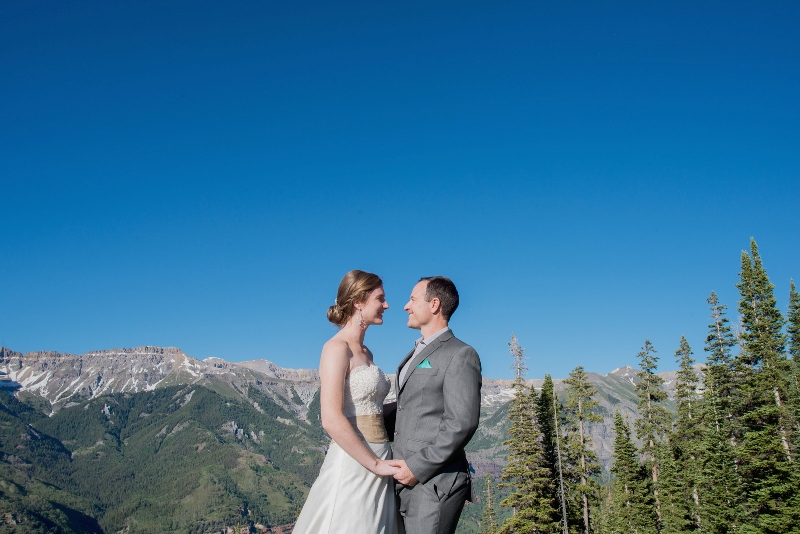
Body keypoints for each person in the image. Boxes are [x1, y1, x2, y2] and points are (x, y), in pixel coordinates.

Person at [293, 270, 401, 534]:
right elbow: (330, 418)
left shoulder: (367, 352)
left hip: (381, 455)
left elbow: (371, 409)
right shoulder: (336, 348)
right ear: (358, 302)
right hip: (355, 461)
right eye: (380, 299)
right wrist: (374, 464)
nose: (386, 305)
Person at [389, 276, 483, 534]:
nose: (406, 306)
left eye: (412, 299)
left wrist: (417, 468)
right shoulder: (414, 353)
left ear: (434, 304)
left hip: (433, 482)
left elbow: (461, 423)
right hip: (403, 479)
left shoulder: (460, 354)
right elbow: (410, 409)